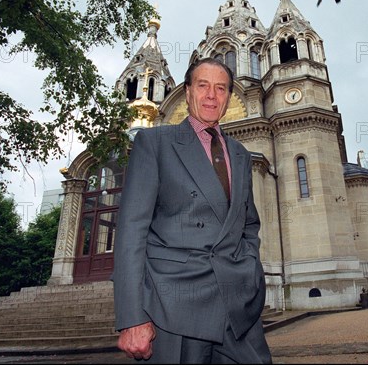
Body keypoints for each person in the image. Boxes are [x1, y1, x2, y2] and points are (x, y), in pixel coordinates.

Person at [113, 57, 272, 364]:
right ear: (187, 93)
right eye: (203, 86)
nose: (212, 95)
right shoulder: (155, 142)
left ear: (229, 97)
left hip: (238, 304)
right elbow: (132, 231)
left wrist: (251, 269)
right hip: (174, 306)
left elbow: (248, 224)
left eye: (221, 88)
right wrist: (132, 316)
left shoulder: (239, 153)